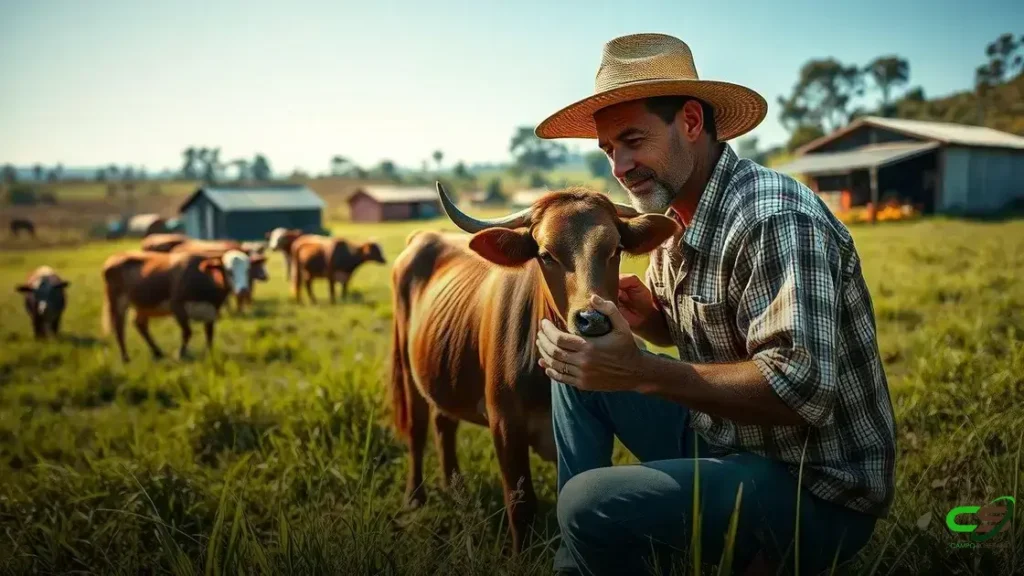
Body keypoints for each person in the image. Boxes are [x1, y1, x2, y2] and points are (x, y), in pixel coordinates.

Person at [531, 33, 898, 576]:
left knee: (588, 503)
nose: (619, 167)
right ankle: (580, 559)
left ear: (691, 122)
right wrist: (652, 320)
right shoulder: (674, 217)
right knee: (575, 365)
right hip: (725, 438)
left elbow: (800, 390)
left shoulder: (773, 218)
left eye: (633, 140)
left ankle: (592, 541)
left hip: (812, 486)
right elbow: (709, 333)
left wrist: (639, 370)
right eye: (609, 150)